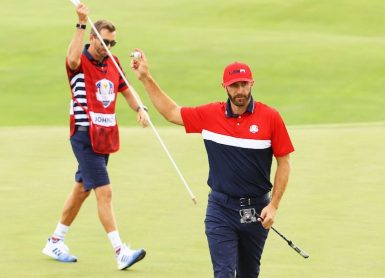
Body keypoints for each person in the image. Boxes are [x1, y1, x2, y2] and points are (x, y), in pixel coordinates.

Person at [131, 50, 295, 277]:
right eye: (234, 85)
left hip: (256, 210)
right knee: (224, 273)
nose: (240, 91)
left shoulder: (271, 117)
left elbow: (284, 162)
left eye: (244, 84)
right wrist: (146, 78)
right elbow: (171, 112)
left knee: (249, 273)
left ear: (252, 83)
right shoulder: (210, 115)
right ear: (224, 86)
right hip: (221, 209)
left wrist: (274, 205)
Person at [42, 4, 147, 270]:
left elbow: (125, 89)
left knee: (82, 189)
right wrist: (79, 22)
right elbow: (73, 60)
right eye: (103, 41)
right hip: (84, 134)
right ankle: (120, 251)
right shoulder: (80, 60)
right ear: (92, 37)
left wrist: (140, 108)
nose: (107, 47)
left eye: (112, 43)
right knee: (105, 191)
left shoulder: (112, 62)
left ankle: (55, 240)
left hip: (105, 137)